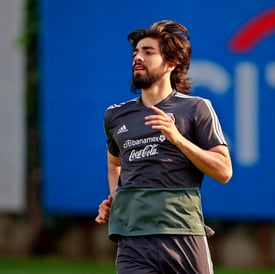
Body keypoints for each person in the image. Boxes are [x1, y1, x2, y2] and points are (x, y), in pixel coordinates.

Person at [95, 20, 232, 274]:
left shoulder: (196, 109)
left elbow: (224, 171)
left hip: (182, 235)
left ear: (172, 63)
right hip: (132, 239)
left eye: (148, 52)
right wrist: (117, 197)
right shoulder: (115, 116)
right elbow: (115, 163)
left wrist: (177, 138)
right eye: (136, 52)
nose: (138, 57)